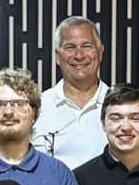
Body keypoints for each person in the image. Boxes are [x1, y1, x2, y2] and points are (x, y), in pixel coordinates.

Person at [33, 16, 110, 169]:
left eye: (87, 46)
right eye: (70, 47)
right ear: (57, 56)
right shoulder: (37, 108)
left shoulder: (120, 107)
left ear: (100, 52)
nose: (79, 55)